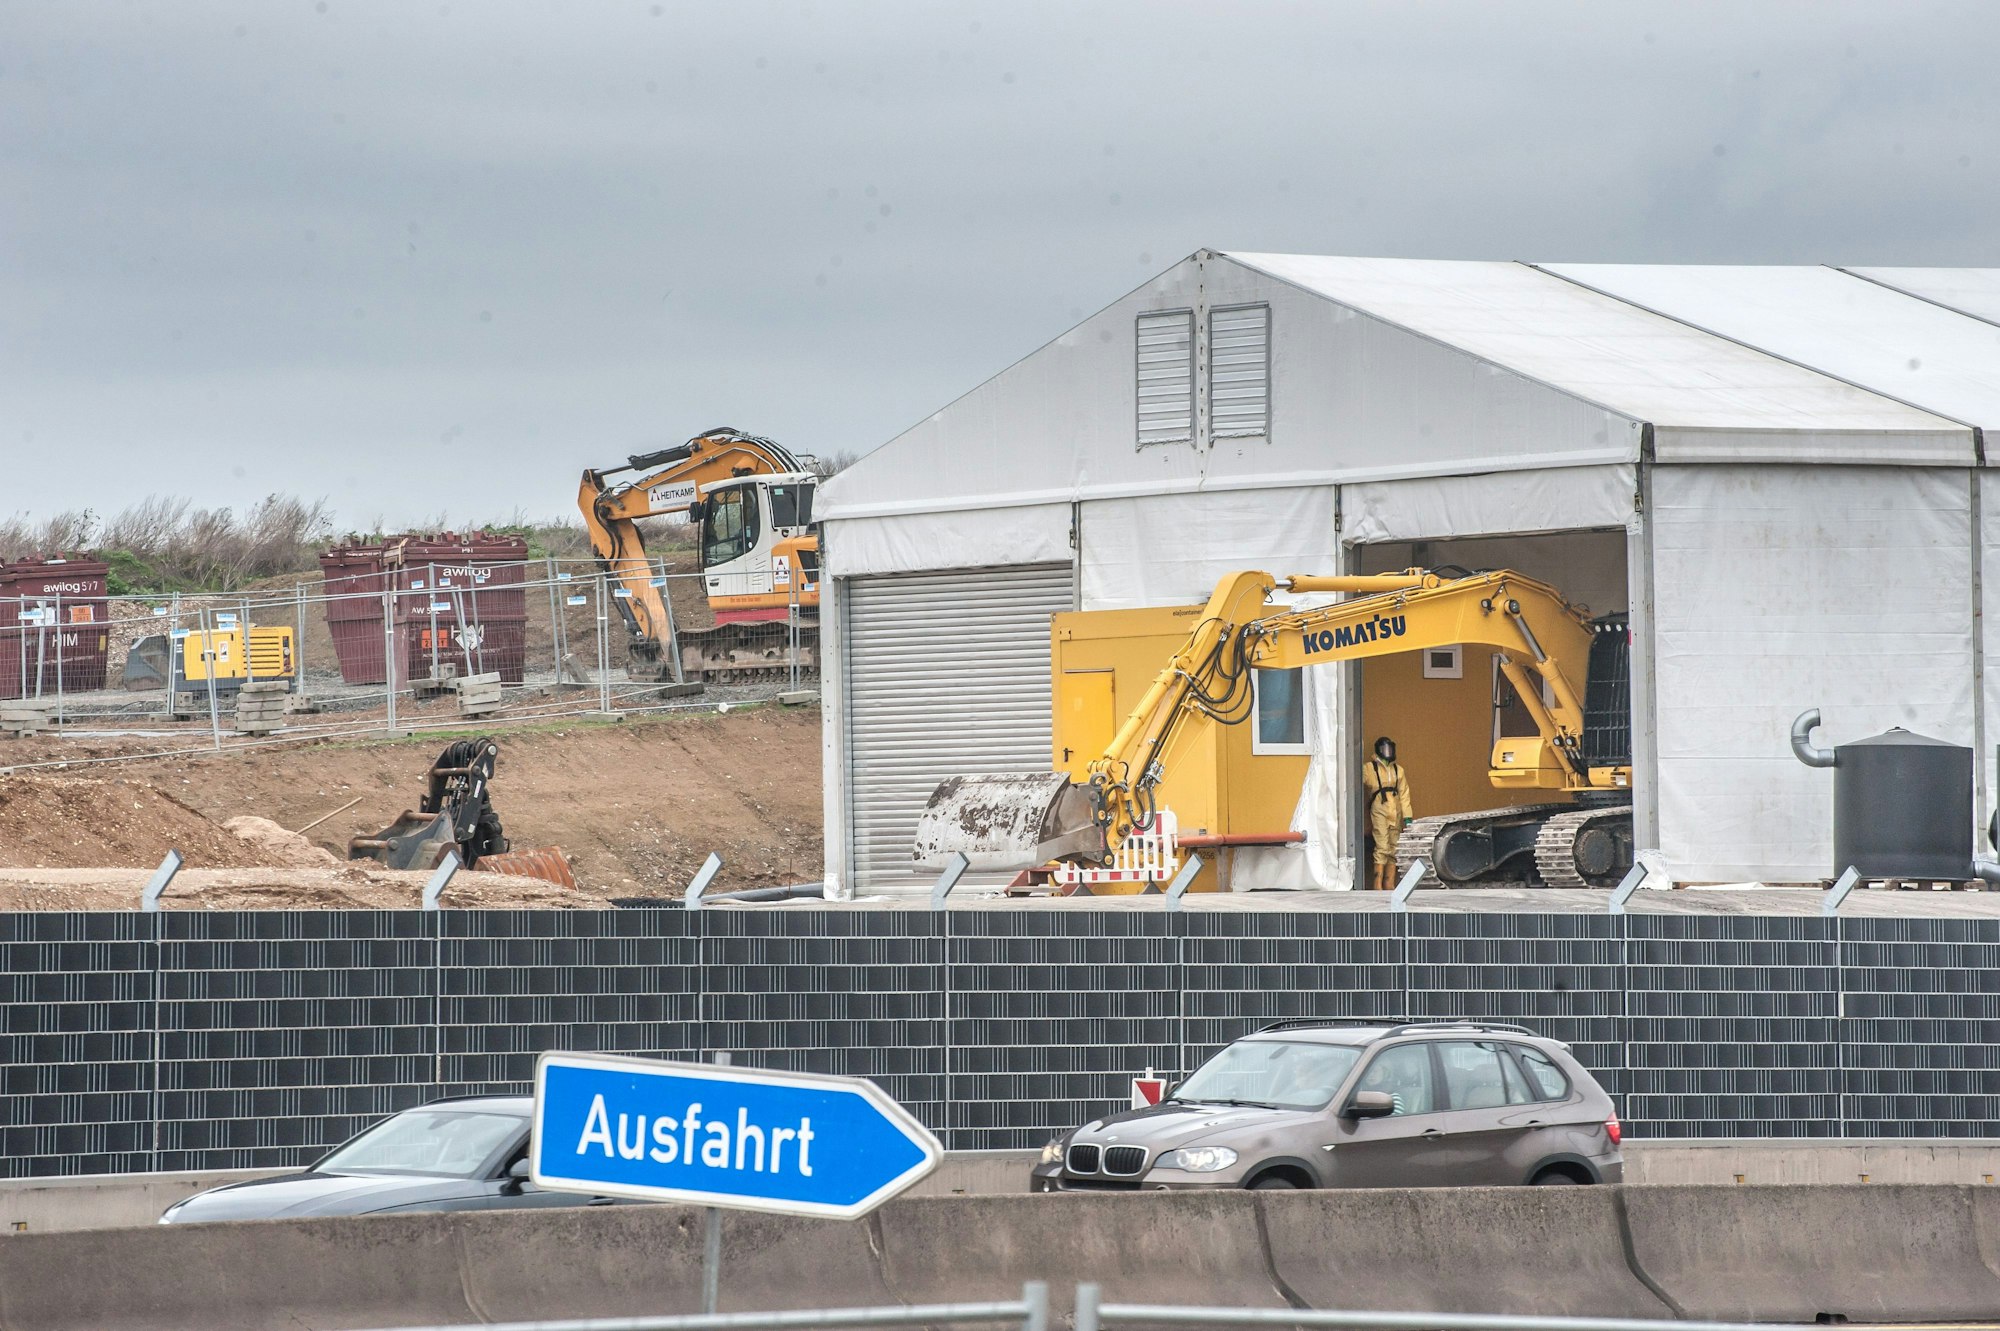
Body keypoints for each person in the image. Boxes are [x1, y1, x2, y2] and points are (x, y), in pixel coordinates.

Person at [1362, 736, 1413, 892]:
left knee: (1394, 846)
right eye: (1385, 749)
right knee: (1382, 845)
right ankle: (1377, 884)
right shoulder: (1369, 768)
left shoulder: (1398, 770)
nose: (1388, 752)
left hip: (1395, 809)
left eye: (1390, 749)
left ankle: (1389, 883)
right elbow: (1358, 785)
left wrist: (1407, 816)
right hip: (1379, 807)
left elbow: (1404, 794)